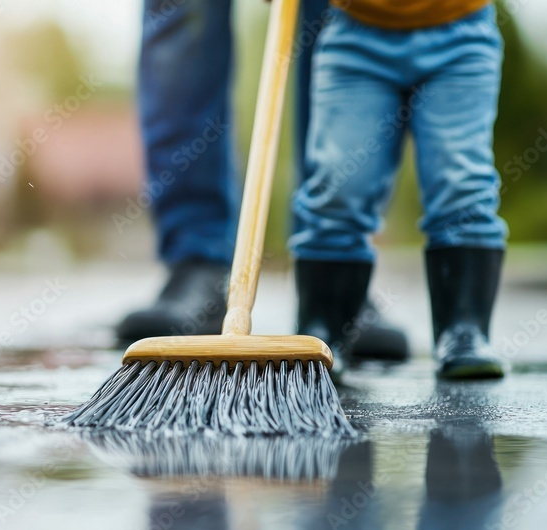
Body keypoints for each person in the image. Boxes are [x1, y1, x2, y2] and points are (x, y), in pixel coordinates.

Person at [117, 0, 507, 379]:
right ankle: (200, 263)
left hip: (436, 22)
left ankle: (356, 311)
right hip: (358, 36)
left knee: (450, 179)